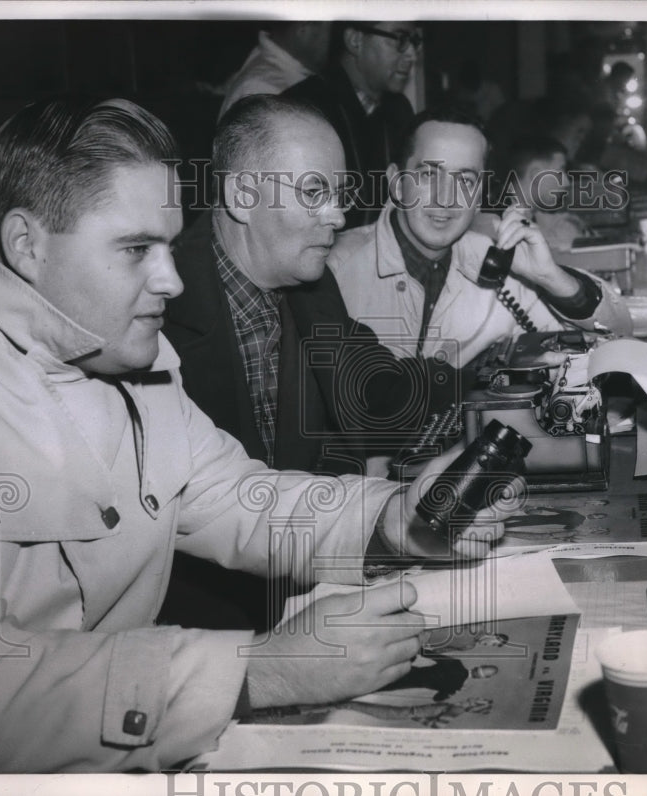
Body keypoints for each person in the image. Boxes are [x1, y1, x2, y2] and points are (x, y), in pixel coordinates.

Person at [0, 97, 506, 773]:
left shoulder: (127, 352)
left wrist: (391, 518)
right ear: (26, 245)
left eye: (167, 245)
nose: (171, 278)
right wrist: (260, 670)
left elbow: (239, 498)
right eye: (137, 249)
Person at [161, 95, 467, 631]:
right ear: (241, 195)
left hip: (306, 584)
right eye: (313, 192)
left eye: (340, 193)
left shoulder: (309, 283)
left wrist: (493, 390)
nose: (339, 215)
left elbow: (380, 397)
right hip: (201, 628)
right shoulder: (159, 305)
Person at [327, 108, 633, 368]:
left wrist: (550, 277)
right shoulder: (334, 271)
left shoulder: (493, 263)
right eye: (429, 175)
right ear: (396, 183)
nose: (446, 198)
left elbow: (616, 335)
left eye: (465, 180)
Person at [285, 21, 421, 227]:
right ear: (355, 40)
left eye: (414, 42)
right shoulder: (302, 108)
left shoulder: (399, 110)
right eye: (400, 39)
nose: (412, 55)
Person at [217, 22, 332, 120]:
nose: (334, 41)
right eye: (331, 31)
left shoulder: (281, 72)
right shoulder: (264, 90)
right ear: (303, 28)